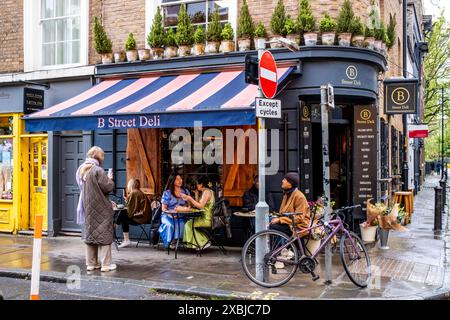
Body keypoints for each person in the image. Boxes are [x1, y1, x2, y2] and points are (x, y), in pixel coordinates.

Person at [76, 146, 116, 272]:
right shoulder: (98, 170)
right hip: (102, 207)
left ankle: (91, 263)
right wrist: (110, 178)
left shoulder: (82, 170)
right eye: (102, 155)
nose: (103, 158)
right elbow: (108, 187)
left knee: (91, 233)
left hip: (88, 206)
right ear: (98, 157)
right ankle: (106, 264)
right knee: (105, 234)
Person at [269, 172, 310, 238]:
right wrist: (277, 218)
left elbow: (299, 218)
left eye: (285, 180)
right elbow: (282, 212)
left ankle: (281, 247)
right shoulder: (286, 194)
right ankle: (283, 247)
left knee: (271, 226)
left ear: (290, 184)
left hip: (298, 226)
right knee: (269, 221)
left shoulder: (299, 196)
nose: (282, 181)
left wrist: (280, 220)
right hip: (289, 223)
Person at [116, 178, 152, 248]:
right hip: (145, 217)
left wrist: (127, 202)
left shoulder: (133, 193)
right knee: (123, 215)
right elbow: (135, 206)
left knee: (123, 214)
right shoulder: (139, 192)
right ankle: (115, 228)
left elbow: (130, 212)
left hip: (140, 218)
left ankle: (119, 233)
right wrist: (128, 200)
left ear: (131, 185)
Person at [181, 176, 215, 250]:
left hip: (206, 219)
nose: (196, 186)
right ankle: (202, 242)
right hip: (205, 217)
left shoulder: (206, 192)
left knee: (189, 224)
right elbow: (198, 204)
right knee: (190, 223)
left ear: (201, 184)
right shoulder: (208, 191)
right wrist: (196, 194)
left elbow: (200, 206)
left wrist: (190, 198)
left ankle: (203, 243)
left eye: (197, 184)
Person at [159, 174, 191, 249]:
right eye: (177, 179)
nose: (180, 181)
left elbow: (189, 205)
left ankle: (177, 241)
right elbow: (163, 208)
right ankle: (169, 242)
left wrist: (185, 207)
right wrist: (171, 213)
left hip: (181, 215)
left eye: (181, 179)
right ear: (173, 181)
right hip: (167, 215)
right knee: (170, 225)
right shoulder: (167, 193)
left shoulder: (185, 191)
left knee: (182, 223)